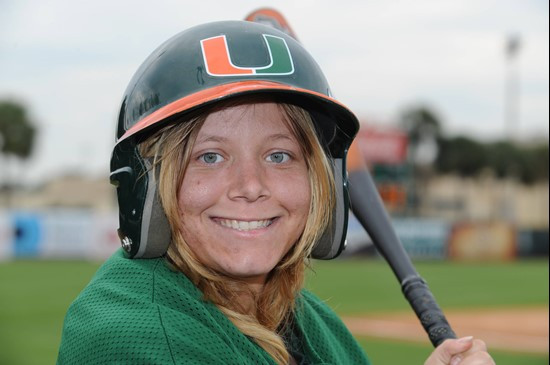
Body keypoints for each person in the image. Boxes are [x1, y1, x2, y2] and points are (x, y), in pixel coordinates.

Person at [57, 20, 494, 365]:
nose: (251, 188)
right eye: (210, 156)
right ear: (146, 187)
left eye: (279, 156)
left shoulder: (308, 319)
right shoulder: (132, 336)